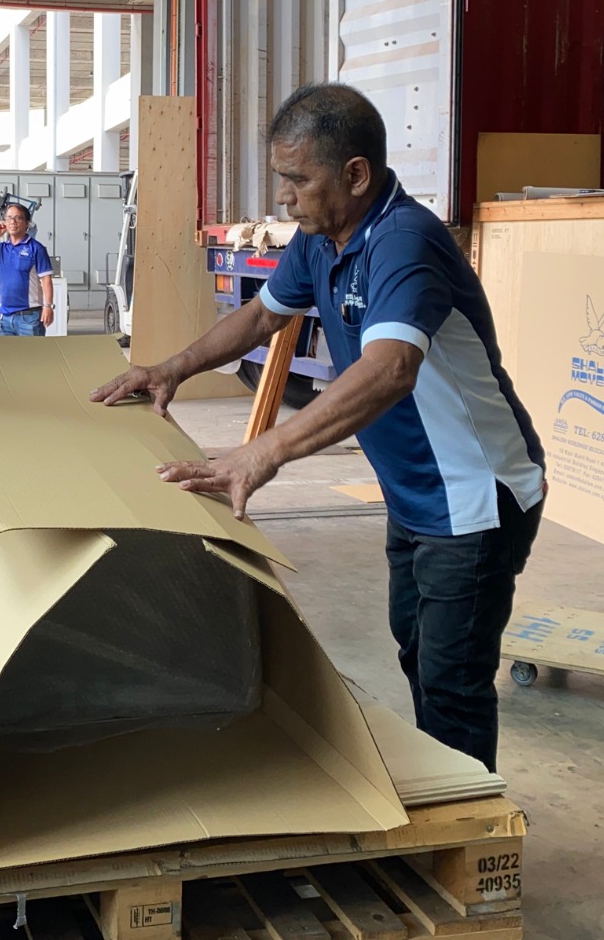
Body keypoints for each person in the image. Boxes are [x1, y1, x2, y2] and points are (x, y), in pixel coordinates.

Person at [91, 82, 545, 775]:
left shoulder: (404, 242)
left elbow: (390, 369)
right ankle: (451, 787)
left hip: (475, 501)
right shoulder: (321, 239)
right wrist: (171, 368)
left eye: (298, 179)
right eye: (281, 179)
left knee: (452, 684)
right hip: (417, 497)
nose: (284, 197)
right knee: (418, 653)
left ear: (355, 175)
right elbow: (262, 316)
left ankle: (470, 819)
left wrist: (263, 452)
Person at [0, 203, 55, 336]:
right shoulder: (2, 248)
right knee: (2, 350)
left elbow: (46, 280)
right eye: (9, 217)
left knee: (31, 350)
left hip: (29, 317)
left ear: (27, 224)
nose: (13, 221)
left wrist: (48, 306)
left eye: (18, 218)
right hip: (5, 317)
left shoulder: (36, 248)